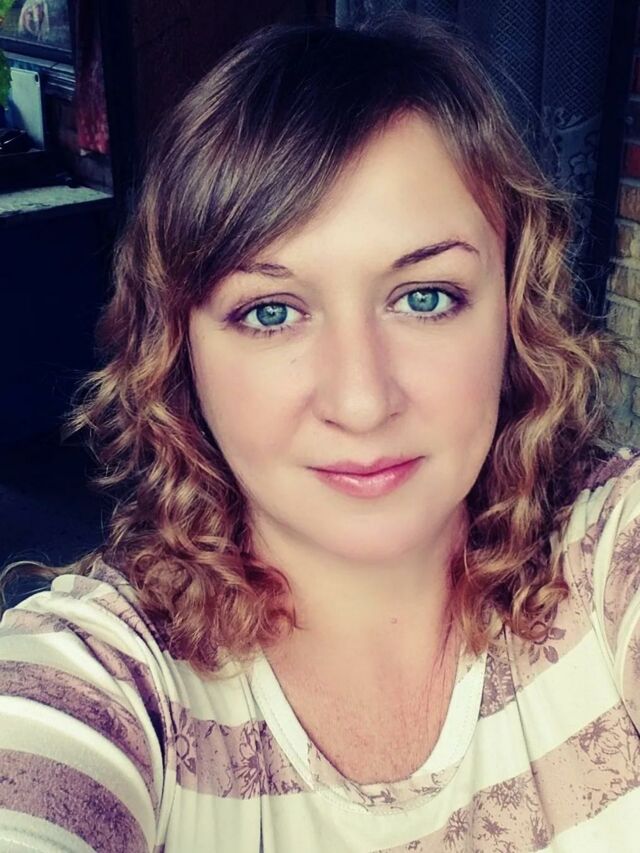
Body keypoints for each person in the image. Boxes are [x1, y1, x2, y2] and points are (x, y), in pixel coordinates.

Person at [0, 12, 637, 852]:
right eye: (271, 311)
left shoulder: (604, 554)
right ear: (179, 353)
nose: (361, 401)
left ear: (513, 315)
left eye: (425, 297)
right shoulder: (108, 682)